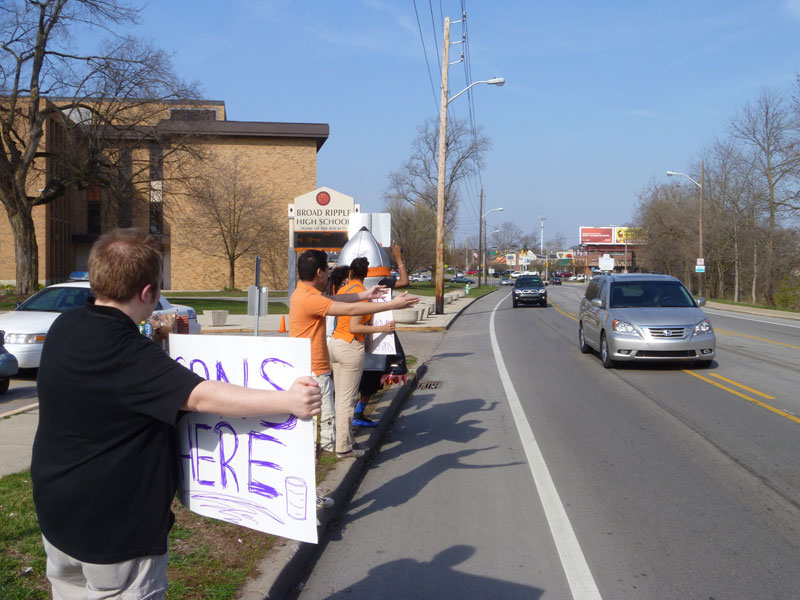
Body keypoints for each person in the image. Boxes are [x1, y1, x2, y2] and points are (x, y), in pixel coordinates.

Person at [31, 228, 322, 600]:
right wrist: (288, 401)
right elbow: (203, 397)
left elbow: (114, 384)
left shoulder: (67, 326)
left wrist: (154, 344)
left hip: (59, 515)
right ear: (149, 292)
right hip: (113, 534)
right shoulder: (130, 355)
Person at [289, 249, 418, 456]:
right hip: (319, 369)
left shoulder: (305, 293)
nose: (330, 274)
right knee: (323, 429)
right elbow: (350, 312)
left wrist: (368, 294)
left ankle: (338, 449)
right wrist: (393, 304)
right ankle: (339, 450)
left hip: (322, 360)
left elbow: (340, 300)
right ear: (319, 272)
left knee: (329, 417)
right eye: (328, 270)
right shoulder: (310, 299)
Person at [329, 257, 396, 457]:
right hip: (350, 346)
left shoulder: (343, 290)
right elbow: (355, 326)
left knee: (339, 399)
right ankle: (344, 446)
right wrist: (382, 328)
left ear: (350, 273)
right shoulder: (361, 295)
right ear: (365, 275)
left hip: (335, 344)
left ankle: (342, 441)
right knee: (347, 400)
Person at [353, 241, 409, 427]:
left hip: (368, 335)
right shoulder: (364, 285)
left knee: (370, 376)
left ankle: (357, 413)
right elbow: (405, 282)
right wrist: (399, 259)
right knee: (363, 377)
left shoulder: (349, 286)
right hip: (364, 334)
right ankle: (355, 415)